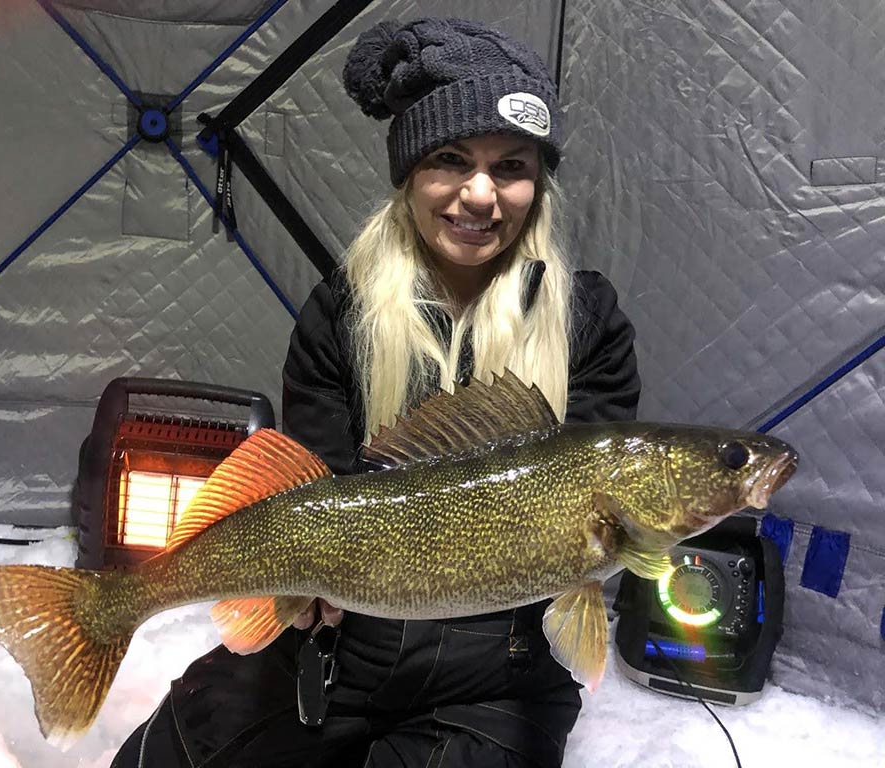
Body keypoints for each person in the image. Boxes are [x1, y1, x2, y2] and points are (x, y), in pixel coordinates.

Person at [112, 16, 640, 768]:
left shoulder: (589, 323)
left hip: (500, 680)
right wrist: (298, 601)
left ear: (539, 183)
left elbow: (594, 494)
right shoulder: (341, 314)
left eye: (512, 167)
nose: (481, 195)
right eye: (451, 160)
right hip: (339, 655)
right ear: (409, 175)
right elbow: (308, 482)